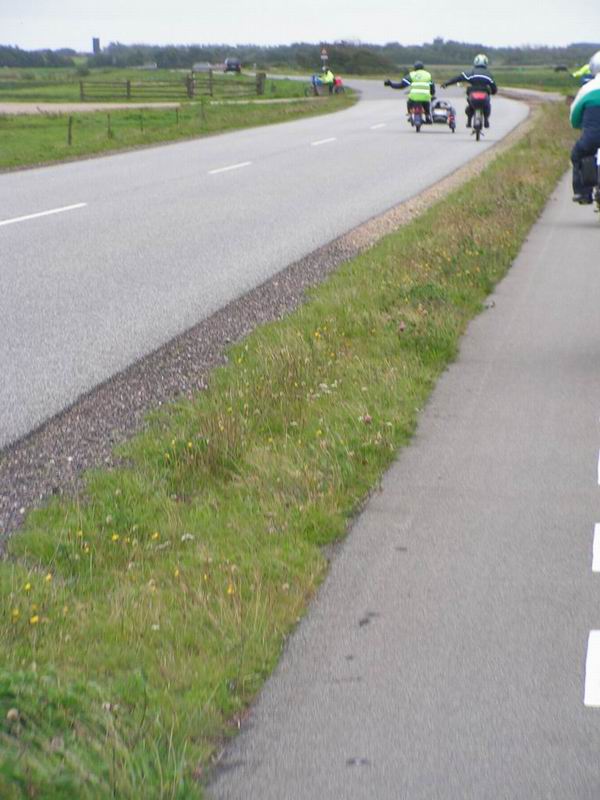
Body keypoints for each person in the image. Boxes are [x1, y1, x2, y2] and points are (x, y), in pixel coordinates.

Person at [569, 50, 600, 204]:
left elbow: (574, 116)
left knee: (577, 154)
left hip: (592, 139)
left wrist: (577, 125)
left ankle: (583, 192)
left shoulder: (587, 88)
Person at [442, 54, 497, 128]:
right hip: (484, 97)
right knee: (487, 106)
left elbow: (457, 78)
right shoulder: (489, 75)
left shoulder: (470, 72)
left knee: (470, 106)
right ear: (486, 63)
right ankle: (486, 120)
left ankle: (469, 121)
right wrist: (493, 92)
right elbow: (494, 88)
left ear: (475, 62)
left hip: (473, 96)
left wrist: (446, 84)